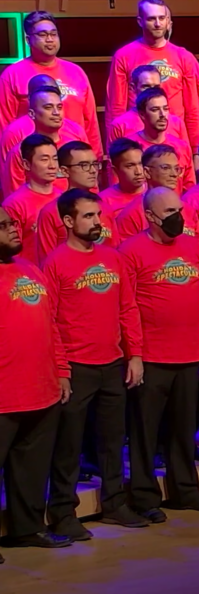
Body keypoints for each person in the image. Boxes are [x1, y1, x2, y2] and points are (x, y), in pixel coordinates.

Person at [42, 189, 147, 538]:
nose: (97, 222)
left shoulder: (113, 258)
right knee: (69, 445)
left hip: (113, 363)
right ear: (67, 221)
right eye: (88, 216)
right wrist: (61, 370)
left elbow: (128, 308)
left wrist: (135, 354)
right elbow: (49, 322)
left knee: (113, 440)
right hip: (76, 366)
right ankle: (62, 511)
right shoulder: (55, 262)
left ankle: (115, 503)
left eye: (98, 215)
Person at [119, 186, 199, 522]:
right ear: (150, 216)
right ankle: (144, 497)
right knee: (145, 432)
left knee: (184, 428)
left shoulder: (194, 247)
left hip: (189, 354)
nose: (178, 217)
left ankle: (186, 490)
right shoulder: (130, 251)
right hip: (151, 357)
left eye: (179, 210)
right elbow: (127, 307)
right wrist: (135, 354)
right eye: (169, 212)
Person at [0, 205, 72, 554]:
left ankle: (27, 529)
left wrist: (62, 371)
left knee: (31, 468)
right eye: (3, 225)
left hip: (42, 389)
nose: (13, 228)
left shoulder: (30, 268)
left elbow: (51, 326)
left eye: (12, 222)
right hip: (4, 394)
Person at [107, 0, 199, 154]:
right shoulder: (123, 56)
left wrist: (195, 150)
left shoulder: (183, 56)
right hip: (135, 138)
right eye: (152, 19)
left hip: (174, 135)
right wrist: (114, 149)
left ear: (168, 21)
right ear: (140, 21)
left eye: (162, 18)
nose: (158, 24)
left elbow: (192, 108)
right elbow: (116, 107)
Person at [0, 11, 102, 154]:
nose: (49, 39)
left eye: (53, 34)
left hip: (75, 157)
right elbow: (4, 126)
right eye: (42, 34)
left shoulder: (76, 72)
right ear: (28, 40)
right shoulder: (12, 75)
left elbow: (90, 120)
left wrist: (96, 156)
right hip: (34, 158)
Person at [36, 141, 116, 262]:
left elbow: (115, 251)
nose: (93, 170)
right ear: (64, 171)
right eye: (84, 165)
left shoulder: (105, 207)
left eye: (95, 164)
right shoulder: (51, 212)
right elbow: (47, 261)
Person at [3, 85, 88, 197]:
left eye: (59, 107)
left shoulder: (74, 146)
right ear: (32, 114)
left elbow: (90, 185)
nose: (56, 112)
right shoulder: (20, 152)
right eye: (48, 107)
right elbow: (14, 198)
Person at [115, 145, 199, 239]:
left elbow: (197, 244)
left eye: (177, 169)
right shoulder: (131, 216)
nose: (174, 174)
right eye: (165, 168)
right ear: (147, 172)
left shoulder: (188, 211)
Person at [3, 134, 59, 266]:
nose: (52, 166)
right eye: (44, 159)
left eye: (55, 159)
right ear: (26, 164)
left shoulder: (63, 198)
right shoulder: (14, 205)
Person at [106, 64, 189, 152]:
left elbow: (186, 155)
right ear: (133, 87)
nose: (152, 91)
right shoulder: (119, 126)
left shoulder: (177, 123)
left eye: (156, 87)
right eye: (146, 86)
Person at [129, 87, 195, 191]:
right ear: (142, 114)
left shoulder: (182, 147)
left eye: (165, 109)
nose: (162, 115)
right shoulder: (130, 149)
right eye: (155, 110)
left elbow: (189, 189)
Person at [99, 137, 148, 218]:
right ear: (115, 170)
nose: (139, 172)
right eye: (130, 166)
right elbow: (103, 226)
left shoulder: (156, 193)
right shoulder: (103, 201)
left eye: (141, 164)